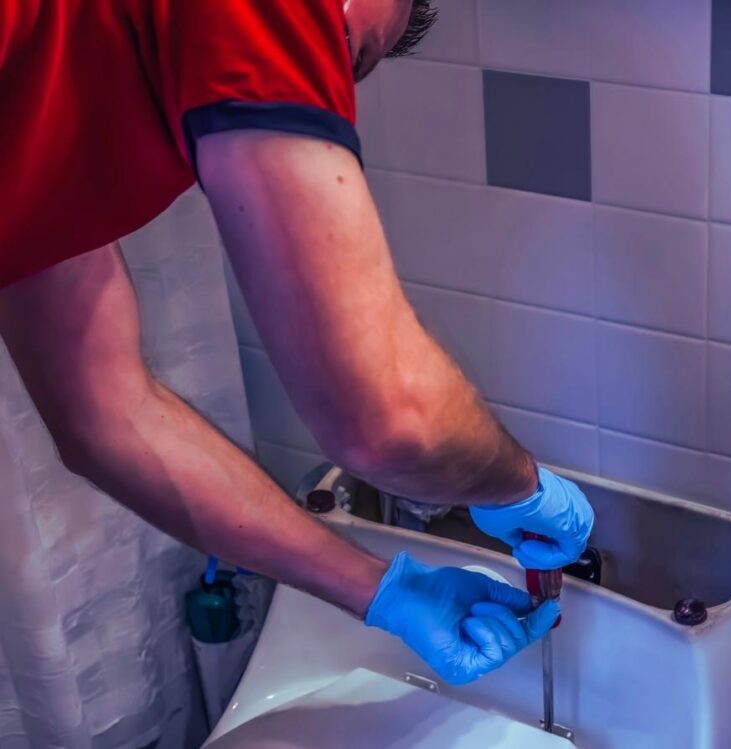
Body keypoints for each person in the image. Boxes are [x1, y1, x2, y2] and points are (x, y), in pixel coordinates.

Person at [0, 0, 594, 686]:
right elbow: (390, 420)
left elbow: (107, 419)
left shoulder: (71, 108)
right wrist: (519, 487)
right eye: (343, 50)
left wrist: (384, 590)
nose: (318, 74)